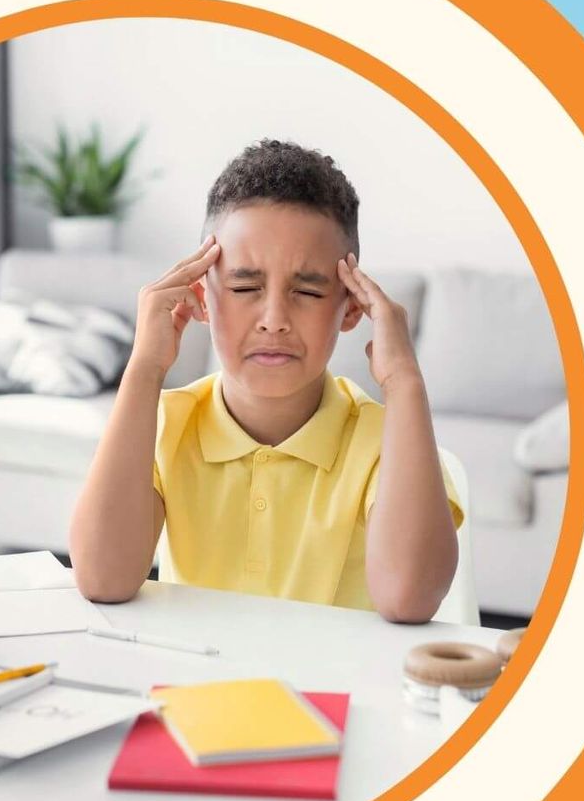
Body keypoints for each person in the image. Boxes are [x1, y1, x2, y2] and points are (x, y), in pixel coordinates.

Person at [69, 139, 461, 622]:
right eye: (244, 287)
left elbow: (410, 598)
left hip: (342, 689)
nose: (274, 319)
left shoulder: (390, 442)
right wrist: (144, 368)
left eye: (307, 290)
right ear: (200, 297)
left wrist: (404, 382)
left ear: (352, 307)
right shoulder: (163, 425)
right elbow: (102, 580)